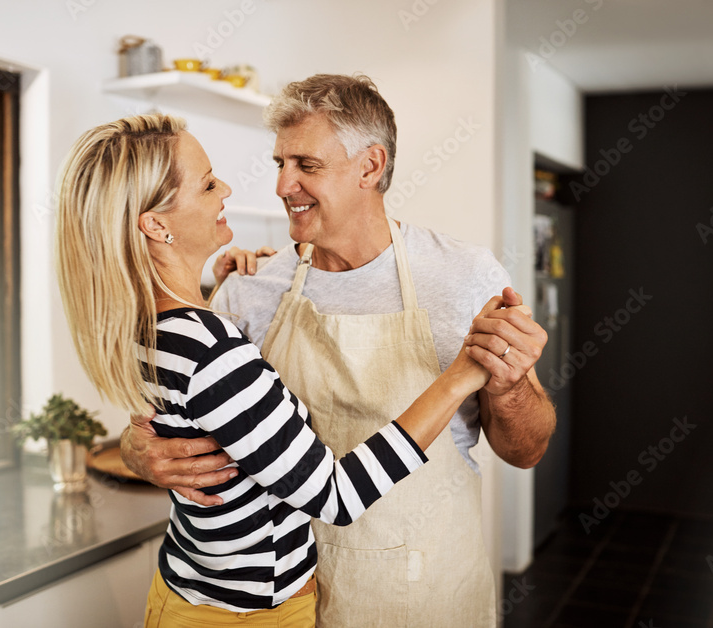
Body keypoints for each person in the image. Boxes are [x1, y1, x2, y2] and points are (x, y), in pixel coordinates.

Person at [120, 75, 557, 627]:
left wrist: (511, 383)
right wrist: (139, 451)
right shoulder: (247, 288)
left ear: (370, 167)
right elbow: (177, 400)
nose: (282, 184)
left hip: (425, 595)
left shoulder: (466, 277)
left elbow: (526, 451)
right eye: (280, 162)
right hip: (288, 600)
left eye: (306, 165)